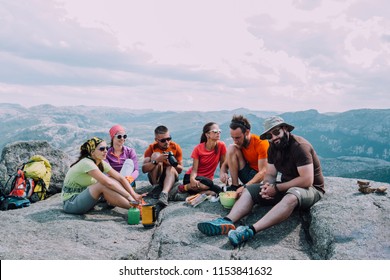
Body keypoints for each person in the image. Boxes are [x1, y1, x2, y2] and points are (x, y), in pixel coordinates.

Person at [197, 116, 325, 247]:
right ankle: (227, 221)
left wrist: (276, 189)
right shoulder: (273, 148)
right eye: (269, 136)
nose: (274, 137)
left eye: (276, 132)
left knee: (291, 196)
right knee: (250, 190)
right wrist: (266, 187)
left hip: (311, 189)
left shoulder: (299, 147)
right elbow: (270, 174)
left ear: (285, 129)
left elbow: (307, 180)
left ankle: (250, 230)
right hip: (287, 186)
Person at [62, 137, 143, 214]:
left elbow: (120, 178)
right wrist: (129, 197)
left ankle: (133, 205)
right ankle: (136, 208)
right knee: (102, 184)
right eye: (101, 149)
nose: (105, 151)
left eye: (106, 148)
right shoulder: (87, 163)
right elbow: (107, 183)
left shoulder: (100, 162)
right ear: (92, 152)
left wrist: (134, 194)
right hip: (71, 203)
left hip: (84, 198)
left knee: (113, 179)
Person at [219, 115, 269, 196]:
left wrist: (245, 187)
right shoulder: (239, 144)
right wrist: (222, 173)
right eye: (233, 138)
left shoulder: (261, 144)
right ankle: (235, 186)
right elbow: (225, 164)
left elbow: (263, 172)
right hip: (247, 172)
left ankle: (244, 189)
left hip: (259, 180)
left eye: (238, 138)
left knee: (233, 147)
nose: (235, 141)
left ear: (247, 132)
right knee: (232, 147)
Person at [178, 122, 227, 195]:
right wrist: (192, 180)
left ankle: (198, 193)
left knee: (218, 191)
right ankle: (184, 187)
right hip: (192, 178)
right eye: (215, 132)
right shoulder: (198, 149)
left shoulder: (221, 146)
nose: (218, 133)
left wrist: (225, 175)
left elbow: (223, 165)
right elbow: (194, 170)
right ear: (207, 134)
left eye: (219, 131)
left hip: (206, 182)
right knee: (208, 184)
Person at [142, 125, 183, 206]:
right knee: (155, 155)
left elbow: (180, 170)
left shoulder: (175, 147)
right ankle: (156, 187)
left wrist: (171, 163)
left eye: (169, 138)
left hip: (171, 176)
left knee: (169, 167)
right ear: (156, 140)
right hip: (156, 177)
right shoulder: (151, 148)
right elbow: (144, 169)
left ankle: (164, 194)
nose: (167, 142)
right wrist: (156, 161)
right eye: (163, 140)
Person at [105, 125, 139, 189]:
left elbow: (136, 170)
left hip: (128, 181)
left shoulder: (130, 151)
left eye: (124, 136)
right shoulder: (106, 153)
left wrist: (128, 179)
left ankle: (120, 189)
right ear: (113, 138)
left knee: (129, 162)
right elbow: (108, 170)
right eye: (119, 136)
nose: (122, 138)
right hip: (114, 180)